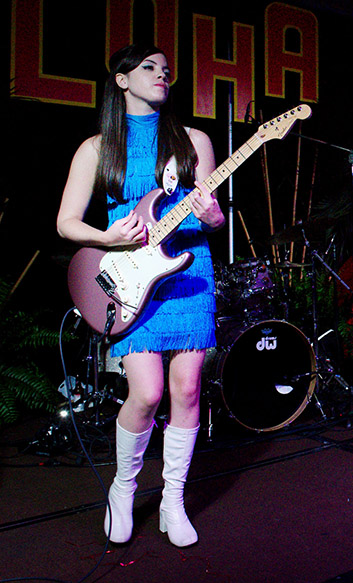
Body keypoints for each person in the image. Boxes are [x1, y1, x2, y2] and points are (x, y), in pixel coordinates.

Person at [56, 45, 224, 546]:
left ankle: (173, 500)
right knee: (147, 393)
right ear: (122, 80)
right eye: (148, 67)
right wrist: (108, 237)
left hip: (188, 272)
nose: (161, 75)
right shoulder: (96, 148)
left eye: (166, 70)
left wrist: (214, 217)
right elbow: (66, 223)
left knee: (187, 390)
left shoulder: (194, 140)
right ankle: (123, 489)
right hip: (129, 274)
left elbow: (211, 214)